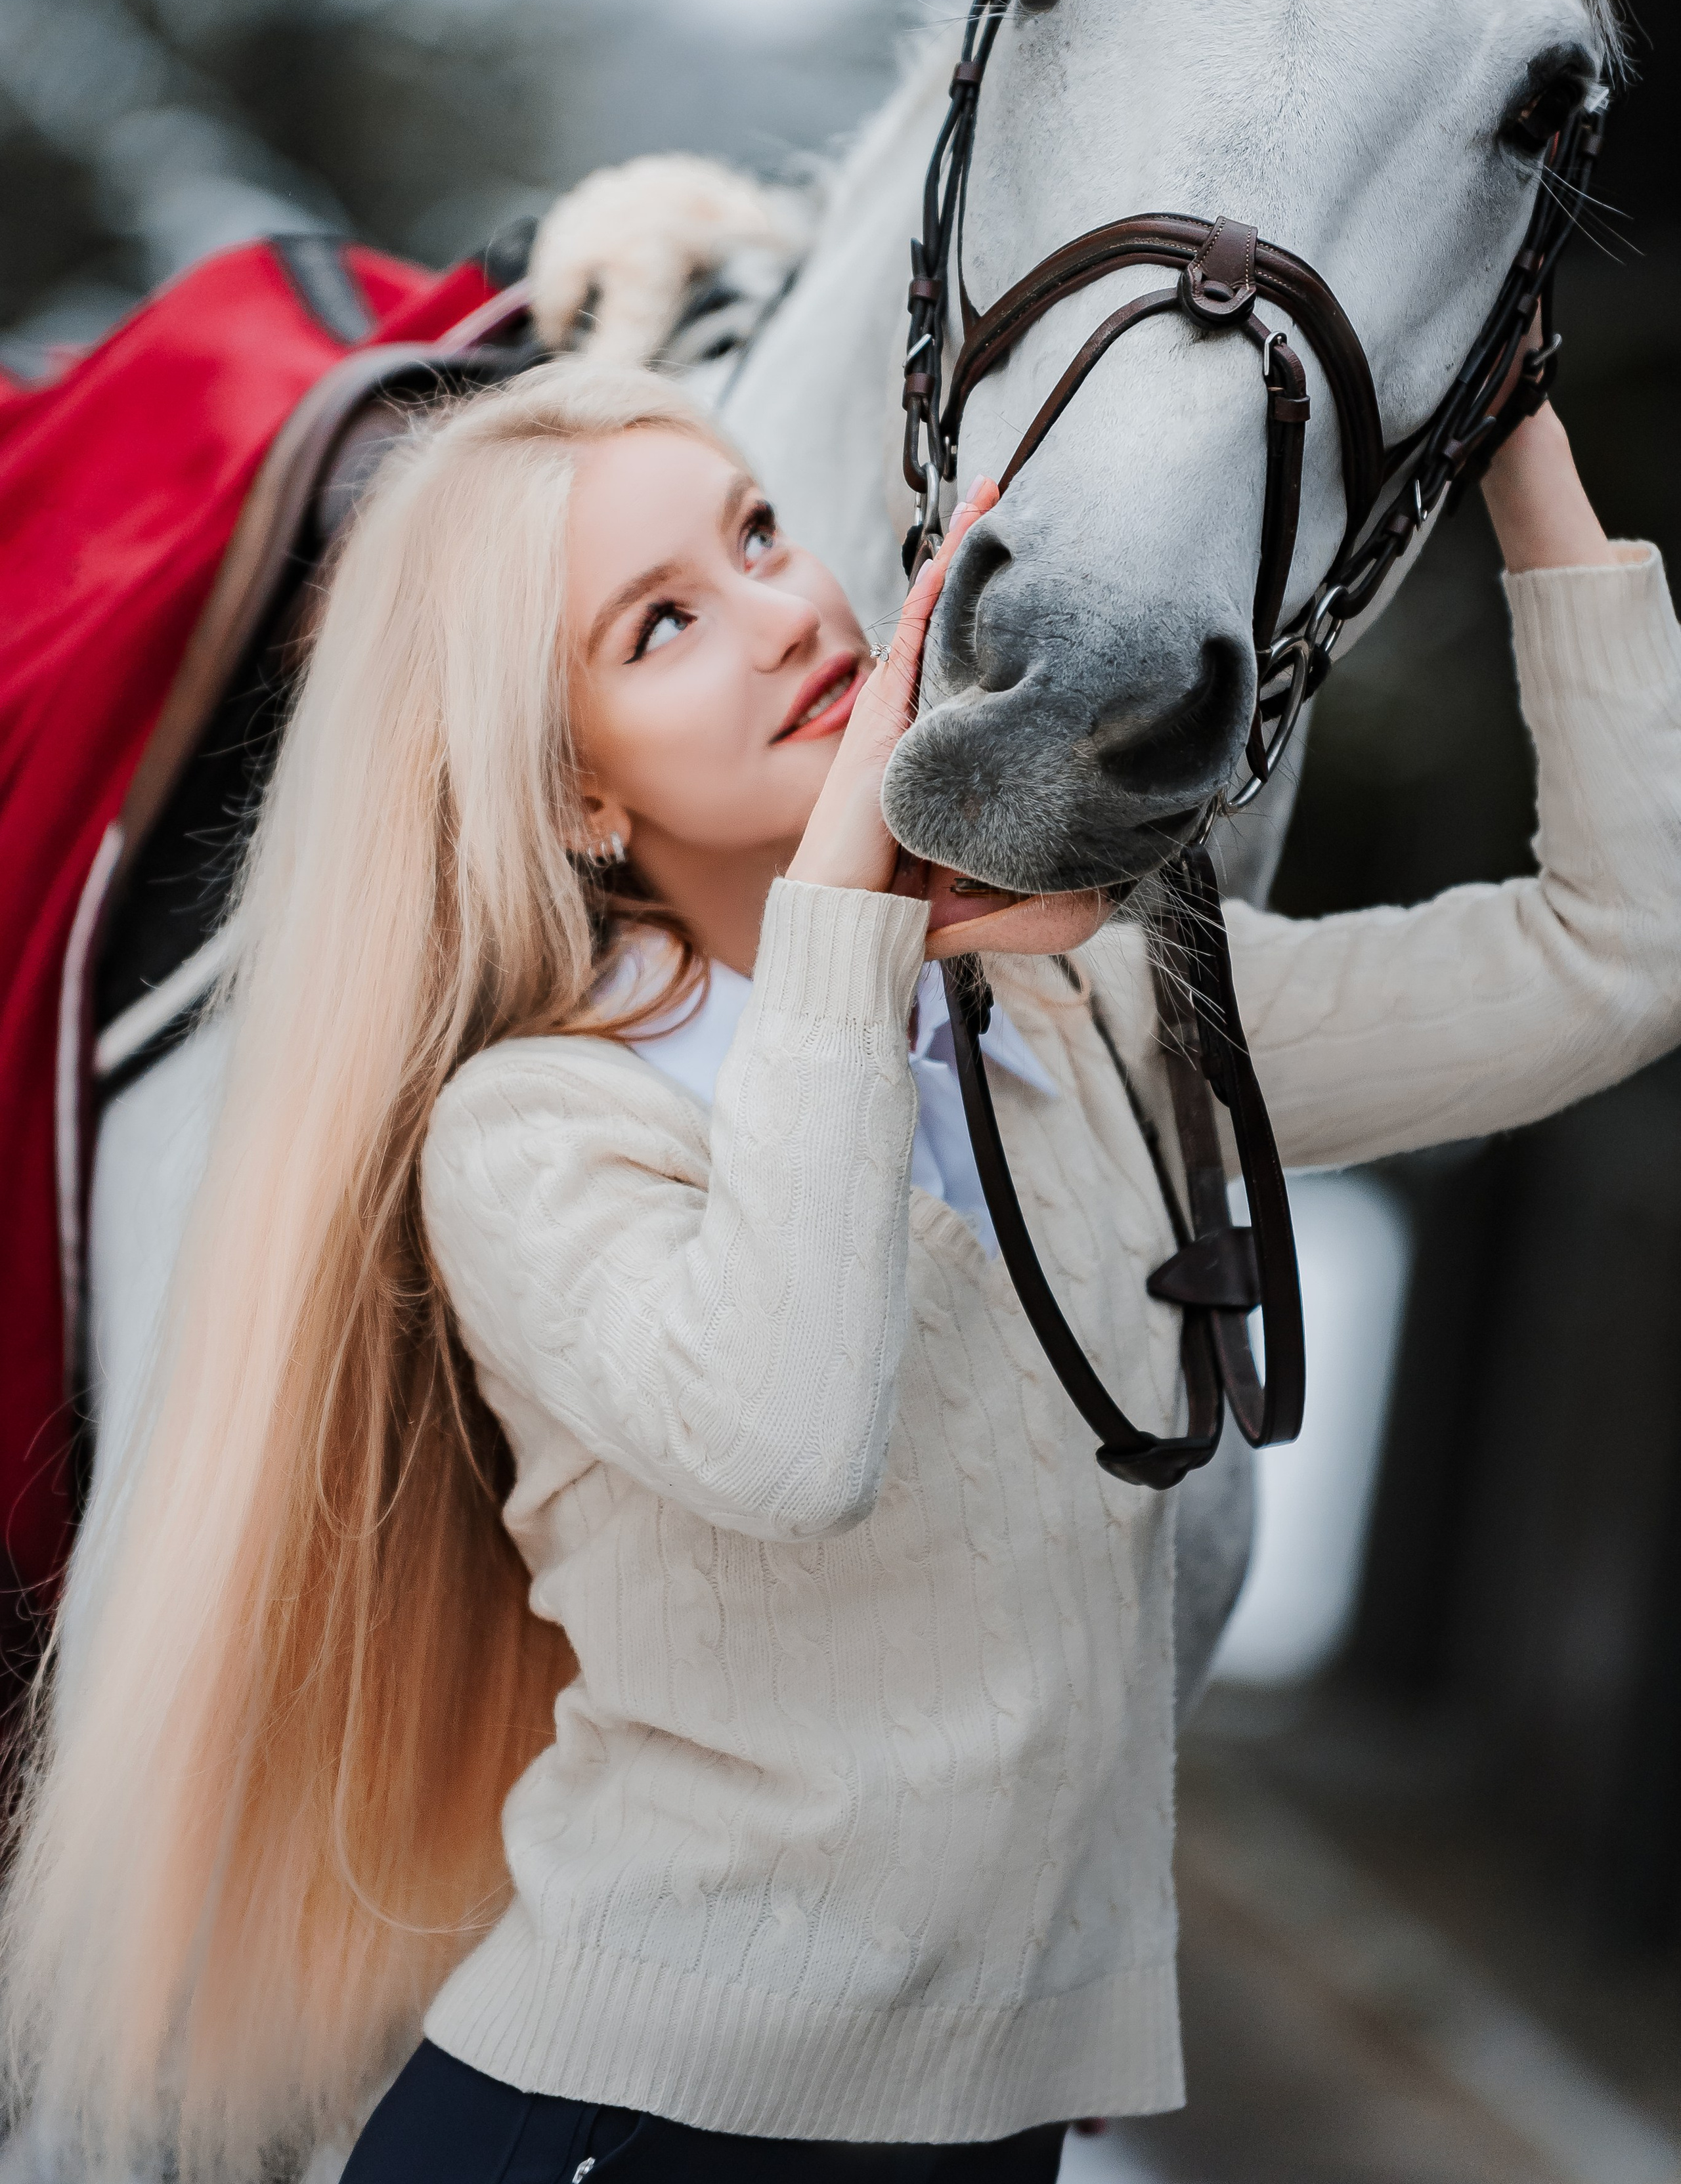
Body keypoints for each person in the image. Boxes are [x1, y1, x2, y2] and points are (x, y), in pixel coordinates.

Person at [5, 359, 1678, 2184]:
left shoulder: (1099, 1005)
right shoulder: (539, 1135)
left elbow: (1619, 955)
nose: (786, 616)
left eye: (754, 534)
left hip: (973, 2130)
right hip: (630, 2128)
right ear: (574, 791)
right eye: (663, 625)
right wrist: (853, 920)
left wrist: (1513, 443)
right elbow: (797, 1434)